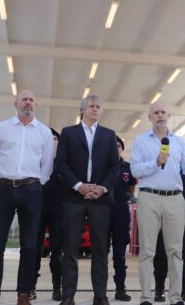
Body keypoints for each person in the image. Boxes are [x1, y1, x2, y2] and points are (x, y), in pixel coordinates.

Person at [0, 90, 56, 305]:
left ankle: (23, 293)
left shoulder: (43, 132)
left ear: (35, 105)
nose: (28, 102)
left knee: (30, 245)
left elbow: (47, 165)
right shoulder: (2, 128)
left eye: (32, 99)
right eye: (24, 99)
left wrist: (36, 183)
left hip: (31, 190)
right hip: (2, 189)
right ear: (15, 103)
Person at [131, 102, 185, 305]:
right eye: (156, 113)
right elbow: (135, 170)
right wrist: (156, 162)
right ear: (150, 117)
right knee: (147, 251)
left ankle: (176, 297)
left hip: (175, 198)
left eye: (163, 112)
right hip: (149, 197)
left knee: (175, 250)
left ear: (167, 116)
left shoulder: (178, 142)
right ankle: (145, 297)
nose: (160, 115)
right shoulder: (141, 141)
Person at [55, 95, 121, 305]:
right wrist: (79, 186)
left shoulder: (109, 135)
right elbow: (61, 164)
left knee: (100, 249)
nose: (95, 109)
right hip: (74, 196)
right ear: (82, 110)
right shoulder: (68, 133)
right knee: (71, 248)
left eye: (98, 106)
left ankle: (100, 295)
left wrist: (101, 188)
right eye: (91, 106)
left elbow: (114, 167)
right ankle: (68, 296)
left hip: (100, 198)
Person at [31, 127, 64, 301]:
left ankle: (57, 287)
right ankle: (30, 287)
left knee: (57, 250)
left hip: (58, 209)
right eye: (49, 138)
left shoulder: (64, 162)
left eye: (55, 138)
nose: (52, 141)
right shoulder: (37, 160)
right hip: (38, 207)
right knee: (34, 248)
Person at [153, 173, 185, 303]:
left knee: (183, 253)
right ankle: (159, 289)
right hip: (165, 212)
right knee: (161, 251)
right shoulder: (166, 163)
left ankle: (184, 289)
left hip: (184, 213)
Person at [109, 136, 136, 302]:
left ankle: (120, 288)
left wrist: (126, 197)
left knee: (119, 253)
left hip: (120, 208)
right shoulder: (102, 166)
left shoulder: (128, 168)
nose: (116, 147)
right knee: (101, 252)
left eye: (118, 145)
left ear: (122, 148)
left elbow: (132, 187)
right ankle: (100, 290)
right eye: (113, 145)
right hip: (103, 209)